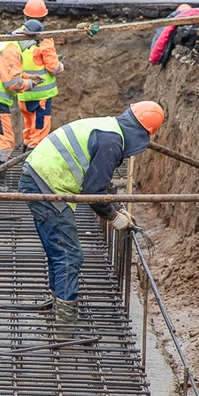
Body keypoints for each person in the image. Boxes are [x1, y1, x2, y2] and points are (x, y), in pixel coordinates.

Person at [17, 101, 165, 330]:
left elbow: (96, 181)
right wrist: (113, 217)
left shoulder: (109, 128)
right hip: (46, 185)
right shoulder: (112, 142)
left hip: (39, 179)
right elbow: (94, 191)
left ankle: (60, 303)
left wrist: (116, 208)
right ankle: (65, 321)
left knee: (58, 249)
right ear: (142, 134)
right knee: (69, 254)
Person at [0, 20, 45, 192]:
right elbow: (12, 83)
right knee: (4, 143)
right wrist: (30, 84)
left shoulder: (1, 41)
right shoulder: (12, 49)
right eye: (33, 43)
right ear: (29, 37)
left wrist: (27, 76)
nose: (30, 48)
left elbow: (3, 71)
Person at [17, 21, 64, 151]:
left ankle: (24, 160)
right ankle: (32, 166)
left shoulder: (19, 46)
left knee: (28, 130)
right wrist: (60, 65)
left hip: (24, 96)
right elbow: (54, 68)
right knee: (39, 132)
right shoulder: (43, 45)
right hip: (41, 98)